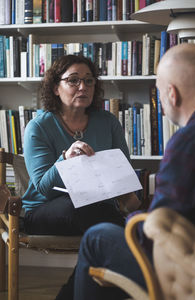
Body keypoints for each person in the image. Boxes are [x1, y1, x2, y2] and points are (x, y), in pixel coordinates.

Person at [71, 42, 195, 300]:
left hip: (187, 272)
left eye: (160, 93)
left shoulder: (188, 142)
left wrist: (133, 219)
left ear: (172, 94)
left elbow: (161, 232)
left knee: (98, 237)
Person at [21, 55, 140, 298]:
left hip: (98, 209)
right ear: (55, 87)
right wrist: (65, 159)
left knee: (102, 237)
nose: (83, 87)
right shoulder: (39, 126)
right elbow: (42, 188)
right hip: (44, 211)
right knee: (106, 228)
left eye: (89, 81)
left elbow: (123, 172)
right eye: (73, 80)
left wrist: (128, 195)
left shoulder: (107, 122)